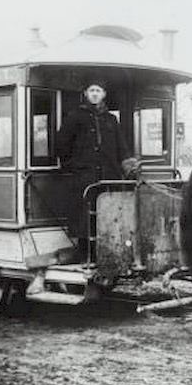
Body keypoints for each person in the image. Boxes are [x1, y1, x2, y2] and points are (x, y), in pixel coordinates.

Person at [56, 80, 138, 257]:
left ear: (104, 94)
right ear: (86, 93)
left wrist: (128, 164)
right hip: (84, 177)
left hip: (109, 176)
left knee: (108, 214)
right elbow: (61, 145)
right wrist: (73, 166)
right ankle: (86, 253)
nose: (94, 94)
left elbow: (121, 146)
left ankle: (108, 252)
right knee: (85, 216)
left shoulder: (111, 119)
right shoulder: (75, 116)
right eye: (91, 90)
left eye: (98, 90)